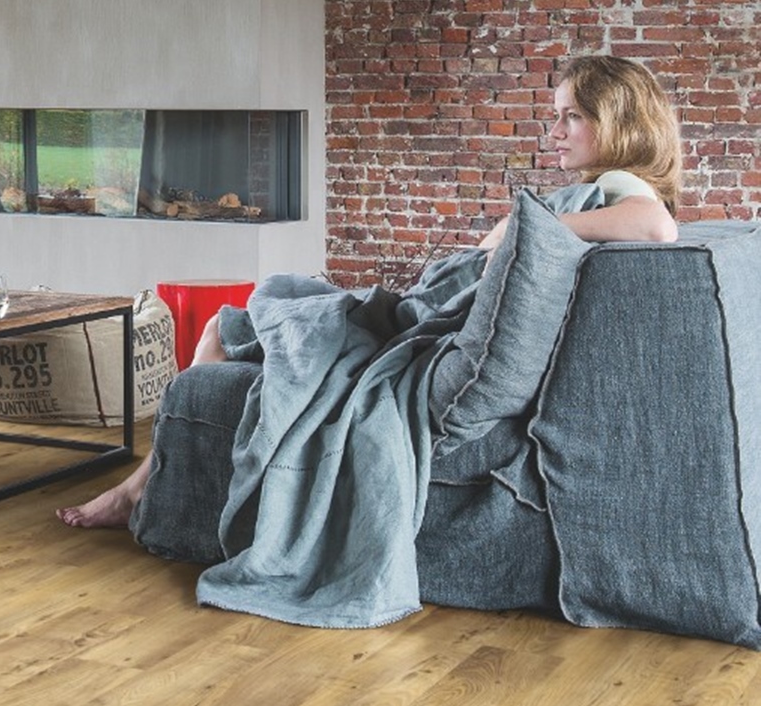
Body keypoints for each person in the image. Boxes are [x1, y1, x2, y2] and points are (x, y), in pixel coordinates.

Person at [56, 54, 683, 530]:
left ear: (618, 121)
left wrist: (519, 226)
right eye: (557, 114)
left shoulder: (623, 185)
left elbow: (657, 225)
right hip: (414, 318)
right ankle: (145, 487)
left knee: (226, 325)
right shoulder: (603, 189)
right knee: (248, 321)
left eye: (573, 116)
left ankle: (141, 490)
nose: (556, 130)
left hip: (411, 330)